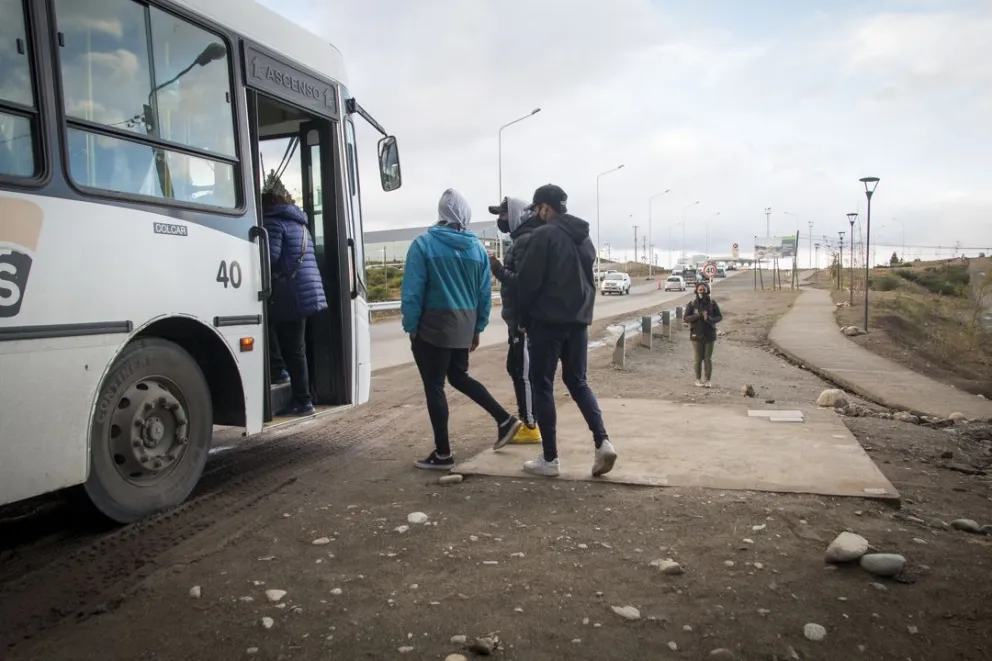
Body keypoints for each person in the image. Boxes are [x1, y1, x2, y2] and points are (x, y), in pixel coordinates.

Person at [402, 189, 523, 471]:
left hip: (431, 327)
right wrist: (477, 328)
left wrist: (411, 325)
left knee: (434, 386)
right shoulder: (477, 249)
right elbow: (484, 294)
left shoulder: (423, 244)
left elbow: (412, 291)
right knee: (458, 376)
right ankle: (505, 420)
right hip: (464, 327)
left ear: (441, 213)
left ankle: (443, 454)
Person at [514, 184, 617, 478]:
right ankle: (602, 442)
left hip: (547, 323)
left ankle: (550, 459)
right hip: (578, 322)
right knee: (578, 382)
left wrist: (523, 319)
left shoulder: (542, 235)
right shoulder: (584, 240)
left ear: (546, 207)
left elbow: (528, 282)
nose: (536, 213)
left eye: (537, 208)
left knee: (542, 384)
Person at [262, 172, 327, 416]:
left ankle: (302, 398)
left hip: (290, 293)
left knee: (288, 344)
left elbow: (270, 259)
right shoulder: (299, 223)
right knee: (297, 346)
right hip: (307, 291)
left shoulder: (273, 222)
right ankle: (303, 394)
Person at [487, 196, 543, 444]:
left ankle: (531, 425)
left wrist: (496, 267)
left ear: (517, 215)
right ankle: (530, 420)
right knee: (516, 367)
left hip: (523, 321)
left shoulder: (524, 241)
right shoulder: (521, 239)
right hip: (519, 320)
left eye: (503, 214)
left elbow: (522, 282)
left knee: (522, 371)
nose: (500, 220)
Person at [684, 281, 723, 387]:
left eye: (704, 290)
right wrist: (697, 316)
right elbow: (686, 318)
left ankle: (707, 380)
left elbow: (719, 317)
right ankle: (698, 380)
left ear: (708, 291)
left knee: (707, 359)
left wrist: (709, 319)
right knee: (698, 358)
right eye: (700, 290)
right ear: (696, 291)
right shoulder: (692, 304)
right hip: (696, 335)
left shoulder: (712, 303)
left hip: (710, 335)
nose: (702, 292)